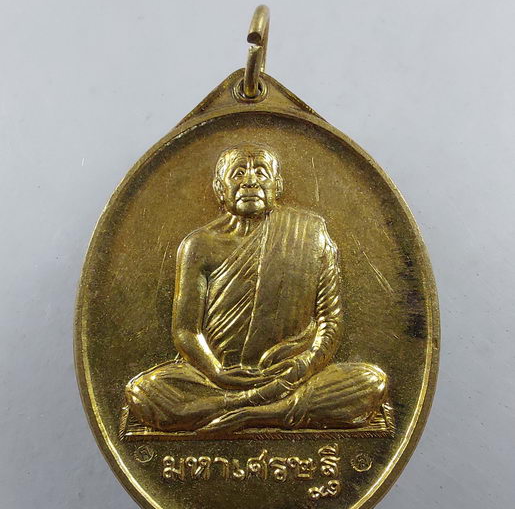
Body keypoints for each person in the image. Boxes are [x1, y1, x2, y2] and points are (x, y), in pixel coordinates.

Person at [125, 143, 387, 432]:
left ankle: (252, 413)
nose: (250, 180)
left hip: (290, 376)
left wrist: (304, 365)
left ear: (277, 186)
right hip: (218, 380)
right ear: (219, 188)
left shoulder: (310, 233)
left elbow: (330, 320)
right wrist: (217, 371)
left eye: (261, 172)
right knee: (143, 391)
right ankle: (261, 407)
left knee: (371, 382)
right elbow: (186, 331)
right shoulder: (199, 244)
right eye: (238, 173)